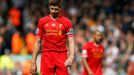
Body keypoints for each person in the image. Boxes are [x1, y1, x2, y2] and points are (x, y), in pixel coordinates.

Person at [30, 0, 75, 75]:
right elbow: (38, 42)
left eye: (56, 9)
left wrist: (71, 56)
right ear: (49, 7)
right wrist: (33, 62)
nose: (53, 11)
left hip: (61, 55)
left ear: (60, 8)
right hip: (47, 55)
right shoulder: (42, 21)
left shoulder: (67, 22)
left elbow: (71, 40)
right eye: (52, 8)